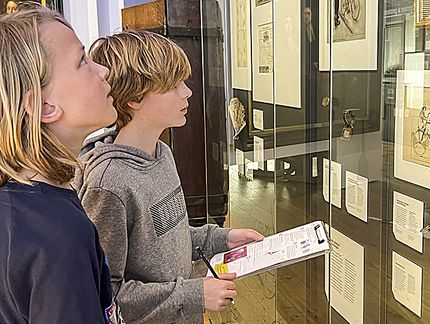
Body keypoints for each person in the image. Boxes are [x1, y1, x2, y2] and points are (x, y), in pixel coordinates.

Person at [74, 30, 264, 323]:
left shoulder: (162, 152)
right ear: (135, 97)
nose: (187, 92)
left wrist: (221, 239)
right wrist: (194, 295)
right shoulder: (108, 184)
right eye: (174, 84)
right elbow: (106, 296)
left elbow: (166, 237)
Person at [0, 6, 119, 323]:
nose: (103, 70)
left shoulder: (17, 205)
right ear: (45, 106)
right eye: (82, 61)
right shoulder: (61, 236)